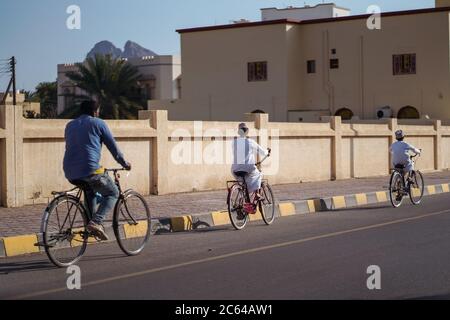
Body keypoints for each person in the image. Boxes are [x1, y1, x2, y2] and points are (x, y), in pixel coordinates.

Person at [63, 100, 131, 241]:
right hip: (91, 170)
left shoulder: (69, 125)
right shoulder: (98, 123)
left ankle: (90, 225)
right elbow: (113, 148)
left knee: (91, 190)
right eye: (98, 111)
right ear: (95, 112)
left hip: (69, 172)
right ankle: (96, 222)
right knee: (113, 193)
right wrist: (125, 163)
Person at [231, 122, 271, 206]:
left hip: (235, 169)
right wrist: (267, 152)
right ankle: (256, 194)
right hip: (248, 168)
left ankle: (242, 199)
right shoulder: (250, 142)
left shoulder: (234, 142)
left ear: (239, 132)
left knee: (243, 184)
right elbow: (262, 152)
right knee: (259, 174)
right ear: (247, 132)